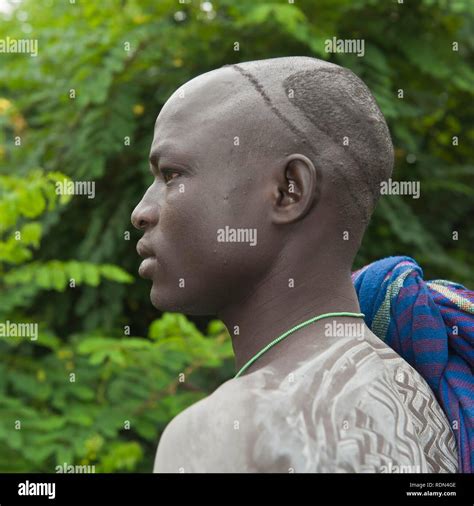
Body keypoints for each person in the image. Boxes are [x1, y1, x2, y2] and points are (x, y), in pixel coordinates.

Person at [131, 57, 458, 472]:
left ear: (289, 191)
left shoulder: (231, 431)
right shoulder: (421, 400)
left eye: (172, 174)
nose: (141, 211)